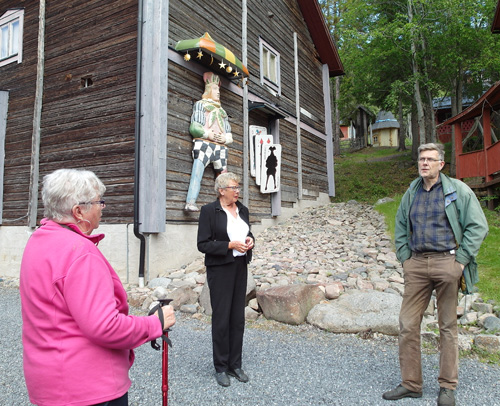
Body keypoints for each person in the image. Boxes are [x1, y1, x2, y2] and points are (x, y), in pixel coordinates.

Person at [20, 168, 176, 406]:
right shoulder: (79, 253)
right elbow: (105, 326)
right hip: (87, 388)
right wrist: (155, 323)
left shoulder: (40, 240)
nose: (102, 208)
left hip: (50, 381)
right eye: (97, 203)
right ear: (78, 211)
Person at [382, 143, 488, 406]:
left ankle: (447, 387)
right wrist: (405, 257)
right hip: (416, 264)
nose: (424, 163)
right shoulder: (412, 191)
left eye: (430, 159)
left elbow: (478, 226)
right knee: (407, 324)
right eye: (421, 159)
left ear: (441, 164)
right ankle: (411, 384)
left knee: (447, 328)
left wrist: (461, 261)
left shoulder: (457, 190)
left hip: (447, 262)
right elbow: (401, 225)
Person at [197, 172, 255, 387]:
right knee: (221, 318)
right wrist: (229, 245)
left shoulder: (243, 210)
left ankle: (235, 364)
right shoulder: (209, 211)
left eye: (238, 187)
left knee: (237, 317)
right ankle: (221, 367)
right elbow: (202, 244)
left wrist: (250, 240)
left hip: (240, 267)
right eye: (233, 187)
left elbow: (250, 234)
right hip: (220, 269)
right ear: (221, 190)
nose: (237, 191)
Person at [184, 72, 233, 212]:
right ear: (208, 90)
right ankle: (190, 202)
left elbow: (229, 134)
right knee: (197, 172)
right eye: (215, 89)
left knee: (224, 178)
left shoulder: (222, 111)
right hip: (204, 144)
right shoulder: (201, 105)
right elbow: (194, 127)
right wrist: (208, 134)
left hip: (220, 148)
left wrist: (225, 138)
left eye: (218, 90)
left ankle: (226, 204)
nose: (218, 92)